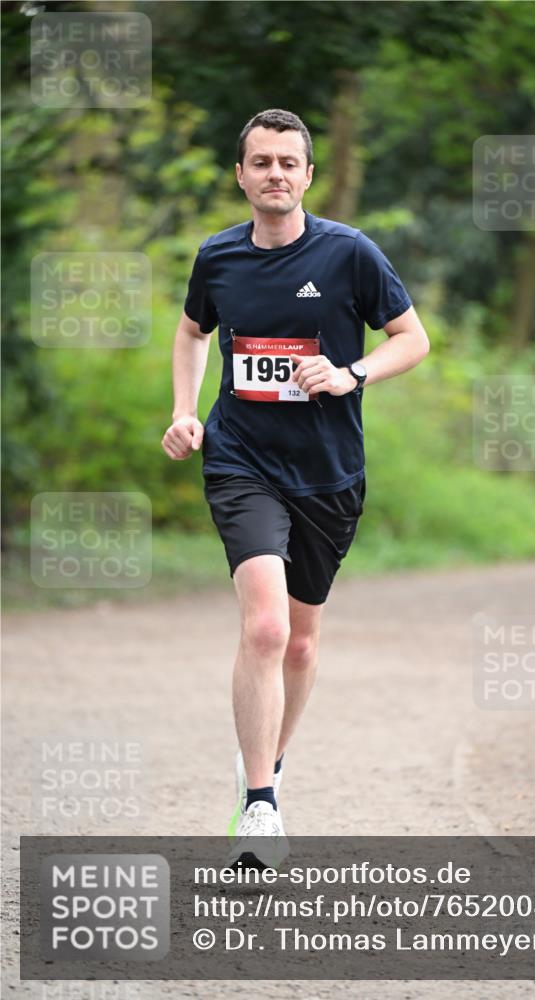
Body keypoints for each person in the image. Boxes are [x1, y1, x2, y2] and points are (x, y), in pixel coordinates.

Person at [162, 108, 429, 867]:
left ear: (307, 175)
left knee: (302, 645)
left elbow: (412, 338)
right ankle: (259, 807)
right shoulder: (217, 258)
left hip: (328, 473)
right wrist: (184, 412)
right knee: (266, 630)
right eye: (260, 162)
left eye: (288, 162)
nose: (274, 173)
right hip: (242, 461)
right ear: (240, 175)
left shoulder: (349, 254)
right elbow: (192, 333)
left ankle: (268, 768)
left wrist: (350, 373)